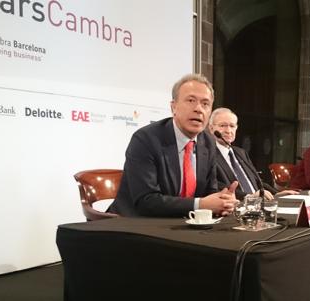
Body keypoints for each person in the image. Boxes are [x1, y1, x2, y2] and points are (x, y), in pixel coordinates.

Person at [107, 74, 238, 217]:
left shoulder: (207, 141)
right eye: (190, 100)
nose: (198, 109)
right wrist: (200, 205)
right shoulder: (146, 139)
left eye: (205, 104)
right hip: (135, 223)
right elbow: (146, 201)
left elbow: (209, 191)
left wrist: (222, 201)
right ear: (173, 107)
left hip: (183, 224)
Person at [208, 108, 298, 200]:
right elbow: (215, 185)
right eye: (222, 125)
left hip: (258, 205)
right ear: (211, 128)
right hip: (235, 206)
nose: (228, 130)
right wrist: (248, 197)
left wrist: (276, 194)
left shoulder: (240, 152)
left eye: (232, 126)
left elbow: (257, 181)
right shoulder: (207, 154)